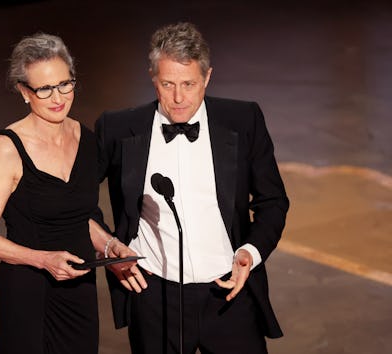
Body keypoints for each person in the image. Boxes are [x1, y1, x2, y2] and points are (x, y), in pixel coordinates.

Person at [95, 22, 290, 354]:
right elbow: (76, 202)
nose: (178, 97)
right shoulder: (117, 129)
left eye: (189, 84)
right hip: (154, 296)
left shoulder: (243, 120)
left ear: (208, 77)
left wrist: (250, 254)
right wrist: (109, 247)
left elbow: (273, 201)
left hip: (229, 291)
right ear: (153, 77)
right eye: (167, 83)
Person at [0, 32, 132, 354]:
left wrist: (111, 246)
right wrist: (43, 260)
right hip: (28, 293)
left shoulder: (86, 140)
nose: (58, 97)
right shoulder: (7, 148)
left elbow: (76, 217)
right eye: (44, 89)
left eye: (65, 84)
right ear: (24, 92)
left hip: (80, 289)